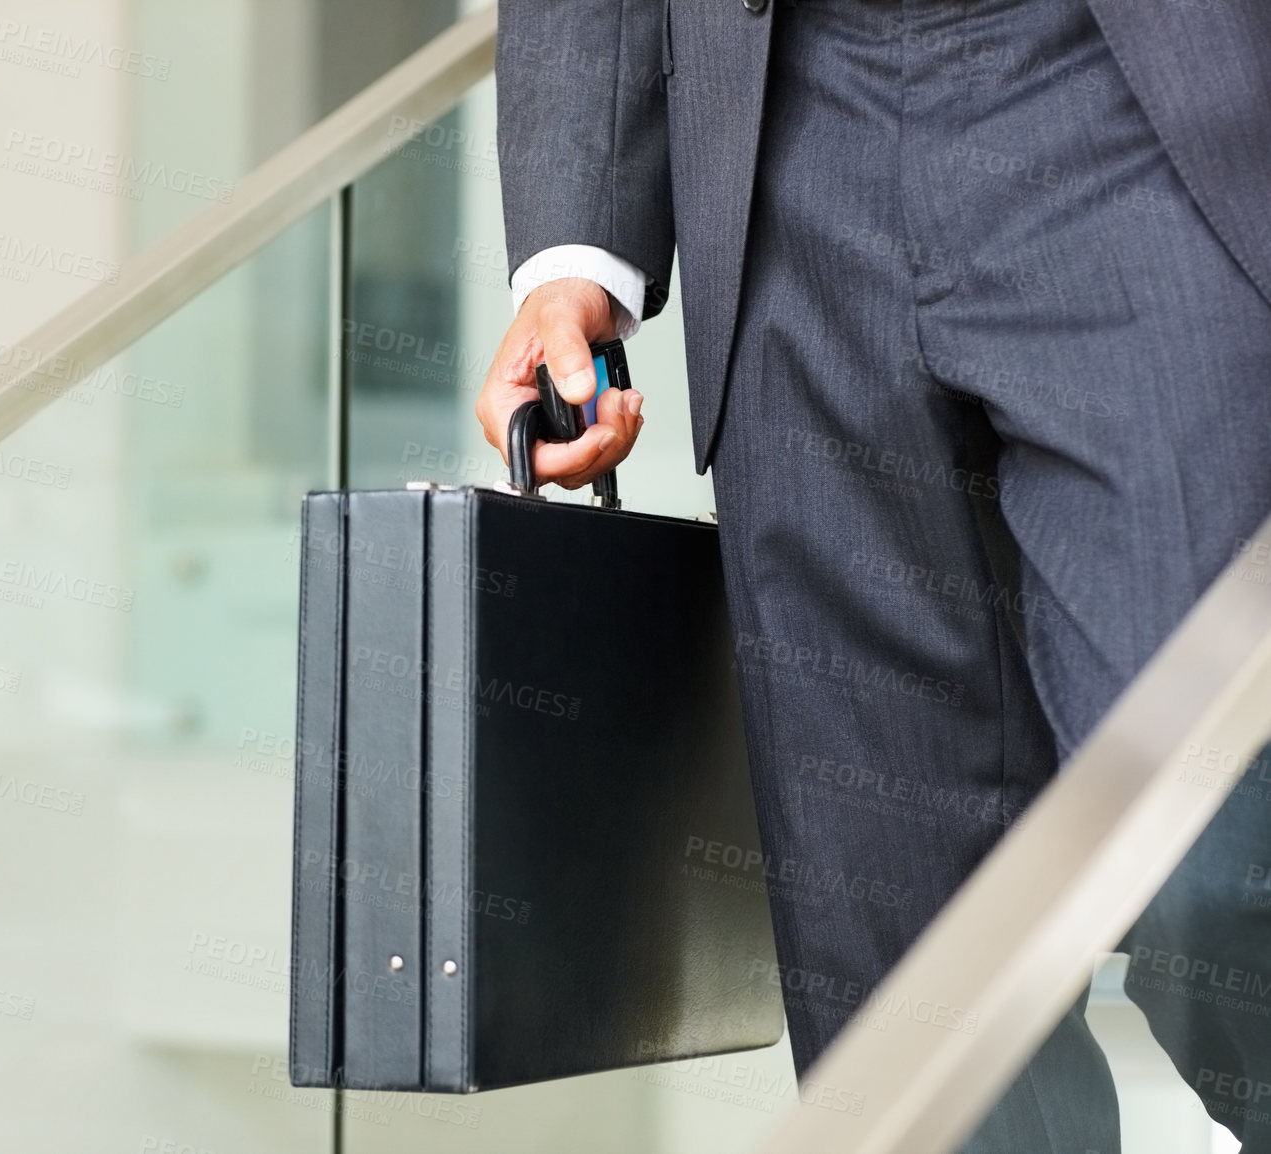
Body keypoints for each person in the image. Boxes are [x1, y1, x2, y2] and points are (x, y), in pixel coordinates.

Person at [475, 1, 1271, 1149]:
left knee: (1215, 845)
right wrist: (572, 250)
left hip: (1126, 98)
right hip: (785, 139)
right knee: (900, 978)